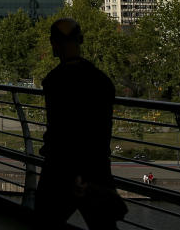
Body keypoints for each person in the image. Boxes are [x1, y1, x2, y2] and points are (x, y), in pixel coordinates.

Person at [35, 18, 124, 230]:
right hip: (96, 169)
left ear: (54, 43)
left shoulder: (55, 81)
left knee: (44, 221)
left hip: (61, 170)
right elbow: (101, 131)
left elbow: (61, 130)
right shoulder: (101, 81)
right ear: (81, 40)